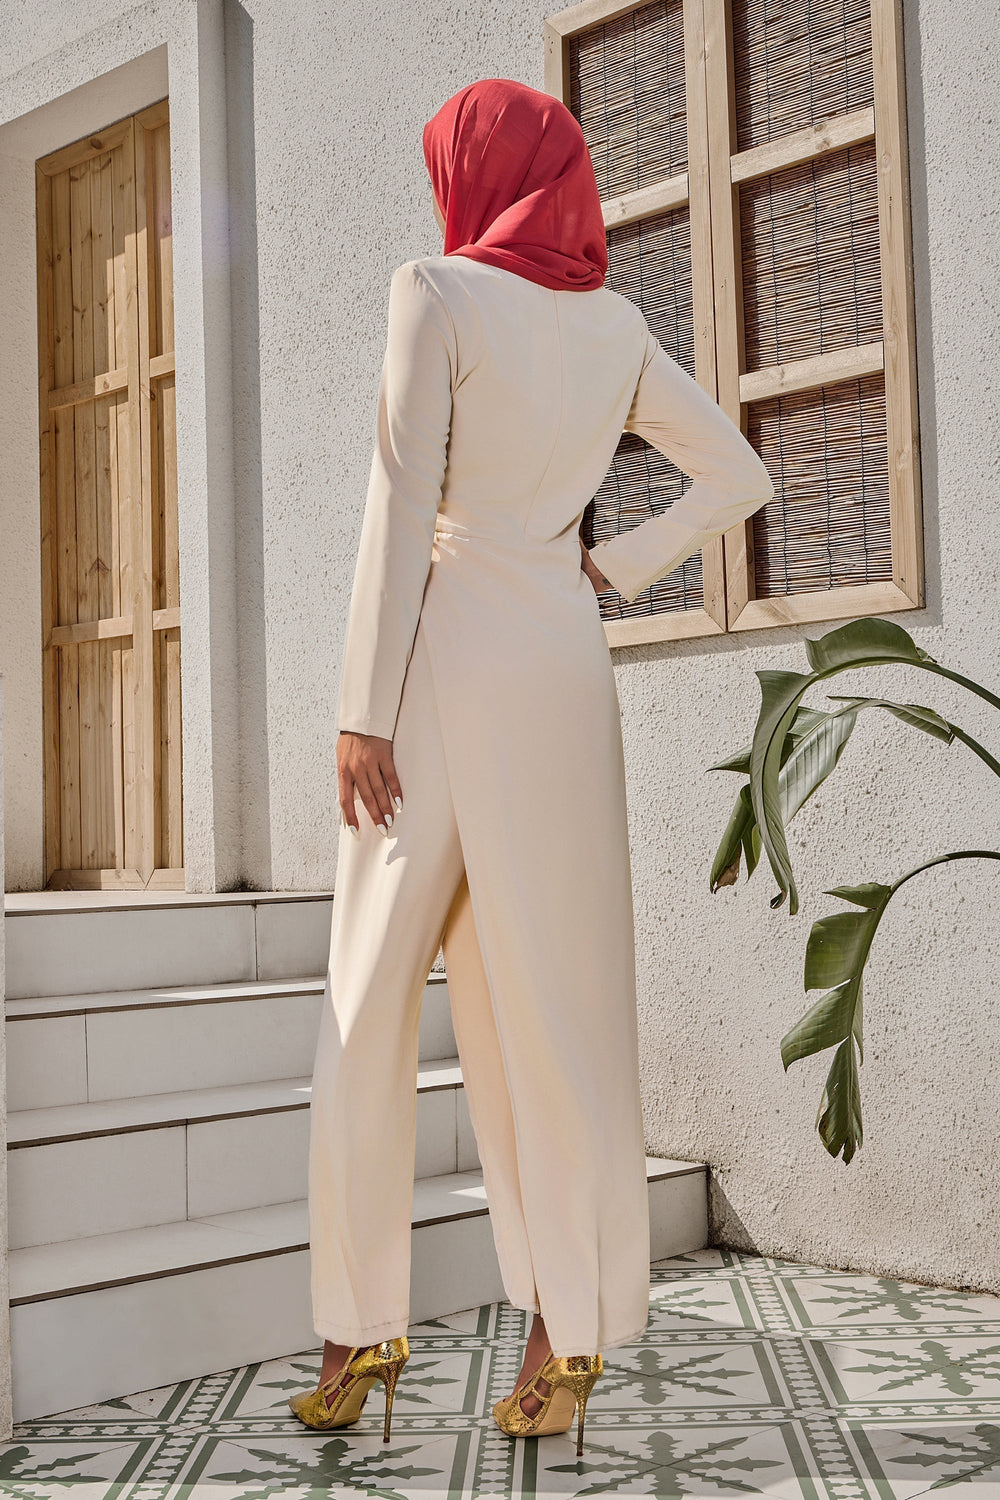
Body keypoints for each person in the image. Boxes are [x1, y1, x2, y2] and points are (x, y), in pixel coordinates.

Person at [288, 77, 775, 1454]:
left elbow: (399, 508)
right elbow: (737, 472)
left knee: (368, 994)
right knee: (554, 1011)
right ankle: (567, 1343)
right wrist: (607, 563)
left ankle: (356, 1332)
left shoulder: (433, 291)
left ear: (468, 172)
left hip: (438, 669)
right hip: (562, 672)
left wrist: (358, 711)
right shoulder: (612, 324)